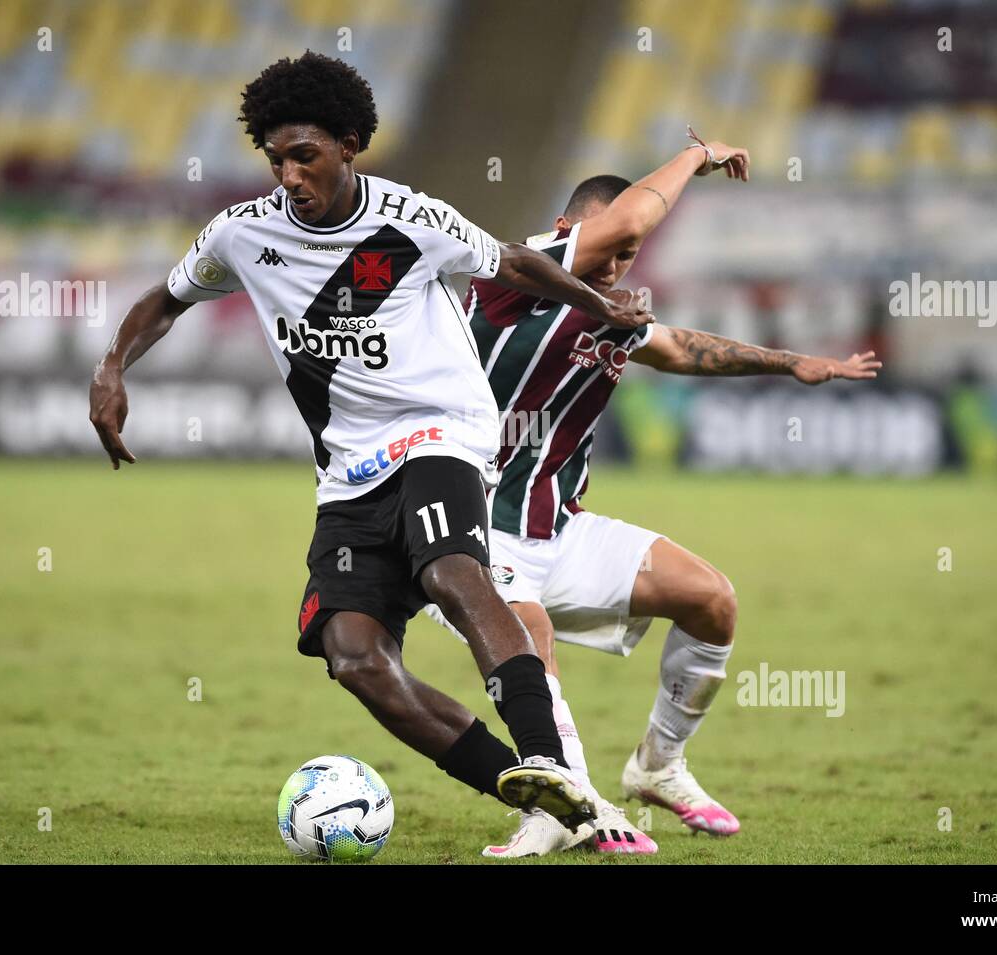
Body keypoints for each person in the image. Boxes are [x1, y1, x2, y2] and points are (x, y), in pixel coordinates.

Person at [87, 51, 654, 829]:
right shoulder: (243, 234)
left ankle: (550, 760)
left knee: (454, 571)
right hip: (349, 473)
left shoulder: (410, 220)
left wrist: (601, 304)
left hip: (440, 432)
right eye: (276, 158)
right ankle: (536, 795)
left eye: (305, 156)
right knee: (352, 655)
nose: (288, 175)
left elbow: (517, 261)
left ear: (349, 145)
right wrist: (112, 365)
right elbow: (166, 298)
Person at [432, 142, 881, 856]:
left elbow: (677, 348)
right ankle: (565, 806)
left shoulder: (610, 309)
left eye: (624, 258)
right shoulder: (508, 279)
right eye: (604, 249)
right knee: (530, 641)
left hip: (558, 529)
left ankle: (657, 765)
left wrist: (790, 361)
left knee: (712, 600)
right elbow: (629, 223)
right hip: (474, 533)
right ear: (565, 231)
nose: (613, 267)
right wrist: (696, 154)